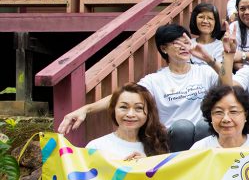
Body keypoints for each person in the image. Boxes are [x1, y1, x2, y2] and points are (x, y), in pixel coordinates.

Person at [59, 24, 218, 151]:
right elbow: (124, 97)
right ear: (163, 48)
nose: (184, 47)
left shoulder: (204, 72)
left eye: (186, 42)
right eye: (177, 43)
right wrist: (86, 109)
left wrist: (209, 59)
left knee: (205, 125)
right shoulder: (155, 80)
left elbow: (231, 85)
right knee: (183, 127)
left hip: (202, 142)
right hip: (172, 141)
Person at [191, 85, 249, 149]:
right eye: (218, 112)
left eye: (233, 111)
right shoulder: (199, 149)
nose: (226, 119)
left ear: (245, 115)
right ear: (210, 116)